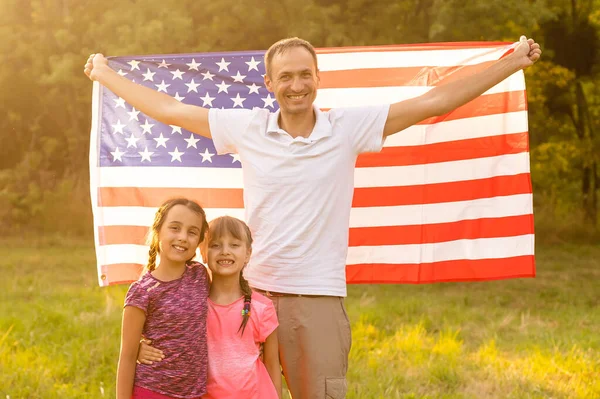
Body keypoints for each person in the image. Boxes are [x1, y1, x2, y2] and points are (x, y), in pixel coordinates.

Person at [85, 35, 541, 399]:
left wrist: (511, 62)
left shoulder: (348, 128)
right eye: (285, 77)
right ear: (269, 83)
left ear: (318, 79)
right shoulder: (246, 127)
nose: (296, 85)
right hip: (247, 296)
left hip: (316, 300)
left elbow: (434, 103)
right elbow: (170, 110)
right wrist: (105, 75)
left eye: (305, 75)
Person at [139, 216, 282, 399]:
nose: (225, 252)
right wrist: (140, 348)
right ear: (203, 252)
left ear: (247, 253)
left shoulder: (262, 307)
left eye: (234, 245)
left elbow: (272, 365)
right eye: (215, 245)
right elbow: (169, 340)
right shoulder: (192, 305)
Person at [116, 198, 210, 399]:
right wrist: (137, 348)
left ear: (199, 241)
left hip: (195, 393)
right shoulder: (142, 291)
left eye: (192, 232)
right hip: (153, 391)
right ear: (157, 232)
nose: (183, 237)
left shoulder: (200, 275)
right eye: (175, 228)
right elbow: (127, 356)